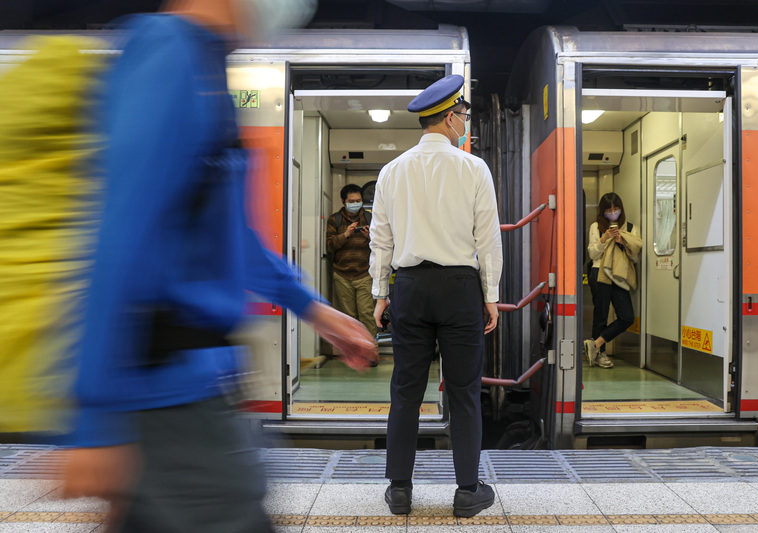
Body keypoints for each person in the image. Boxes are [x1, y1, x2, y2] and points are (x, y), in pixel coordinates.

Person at [60, 1, 377, 531]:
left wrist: (318, 312)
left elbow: (236, 241)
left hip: (193, 391)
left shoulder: (207, 67)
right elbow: (118, 231)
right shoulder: (167, 52)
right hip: (166, 395)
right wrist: (94, 421)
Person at [369, 74, 503, 518]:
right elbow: (488, 240)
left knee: (405, 390)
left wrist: (378, 294)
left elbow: (381, 241)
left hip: (409, 287)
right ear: (449, 117)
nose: (465, 122)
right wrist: (491, 294)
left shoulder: (391, 171)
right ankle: (468, 492)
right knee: (463, 390)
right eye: (463, 115)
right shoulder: (473, 168)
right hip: (460, 288)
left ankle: (400, 491)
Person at [584, 192, 642, 369]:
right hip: (599, 272)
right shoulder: (596, 226)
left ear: (621, 209)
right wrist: (605, 238)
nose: (612, 212)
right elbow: (592, 254)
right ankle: (599, 355)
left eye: (615, 209)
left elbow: (635, 259)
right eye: (608, 210)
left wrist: (623, 242)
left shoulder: (631, 229)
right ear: (602, 211)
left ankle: (595, 344)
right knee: (600, 314)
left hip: (619, 274)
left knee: (626, 317)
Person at [326, 184, 377, 339]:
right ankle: (355, 350)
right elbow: (329, 245)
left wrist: (371, 237)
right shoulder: (335, 219)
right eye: (352, 201)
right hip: (342, 275)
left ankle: (370, 349)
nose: (355, 204)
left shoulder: (370, 218)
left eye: (358, 200)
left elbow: (382, 244)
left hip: (365, 274)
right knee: (349, 316)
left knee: (367, 313)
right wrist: (345, 234)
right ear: (343, 201)